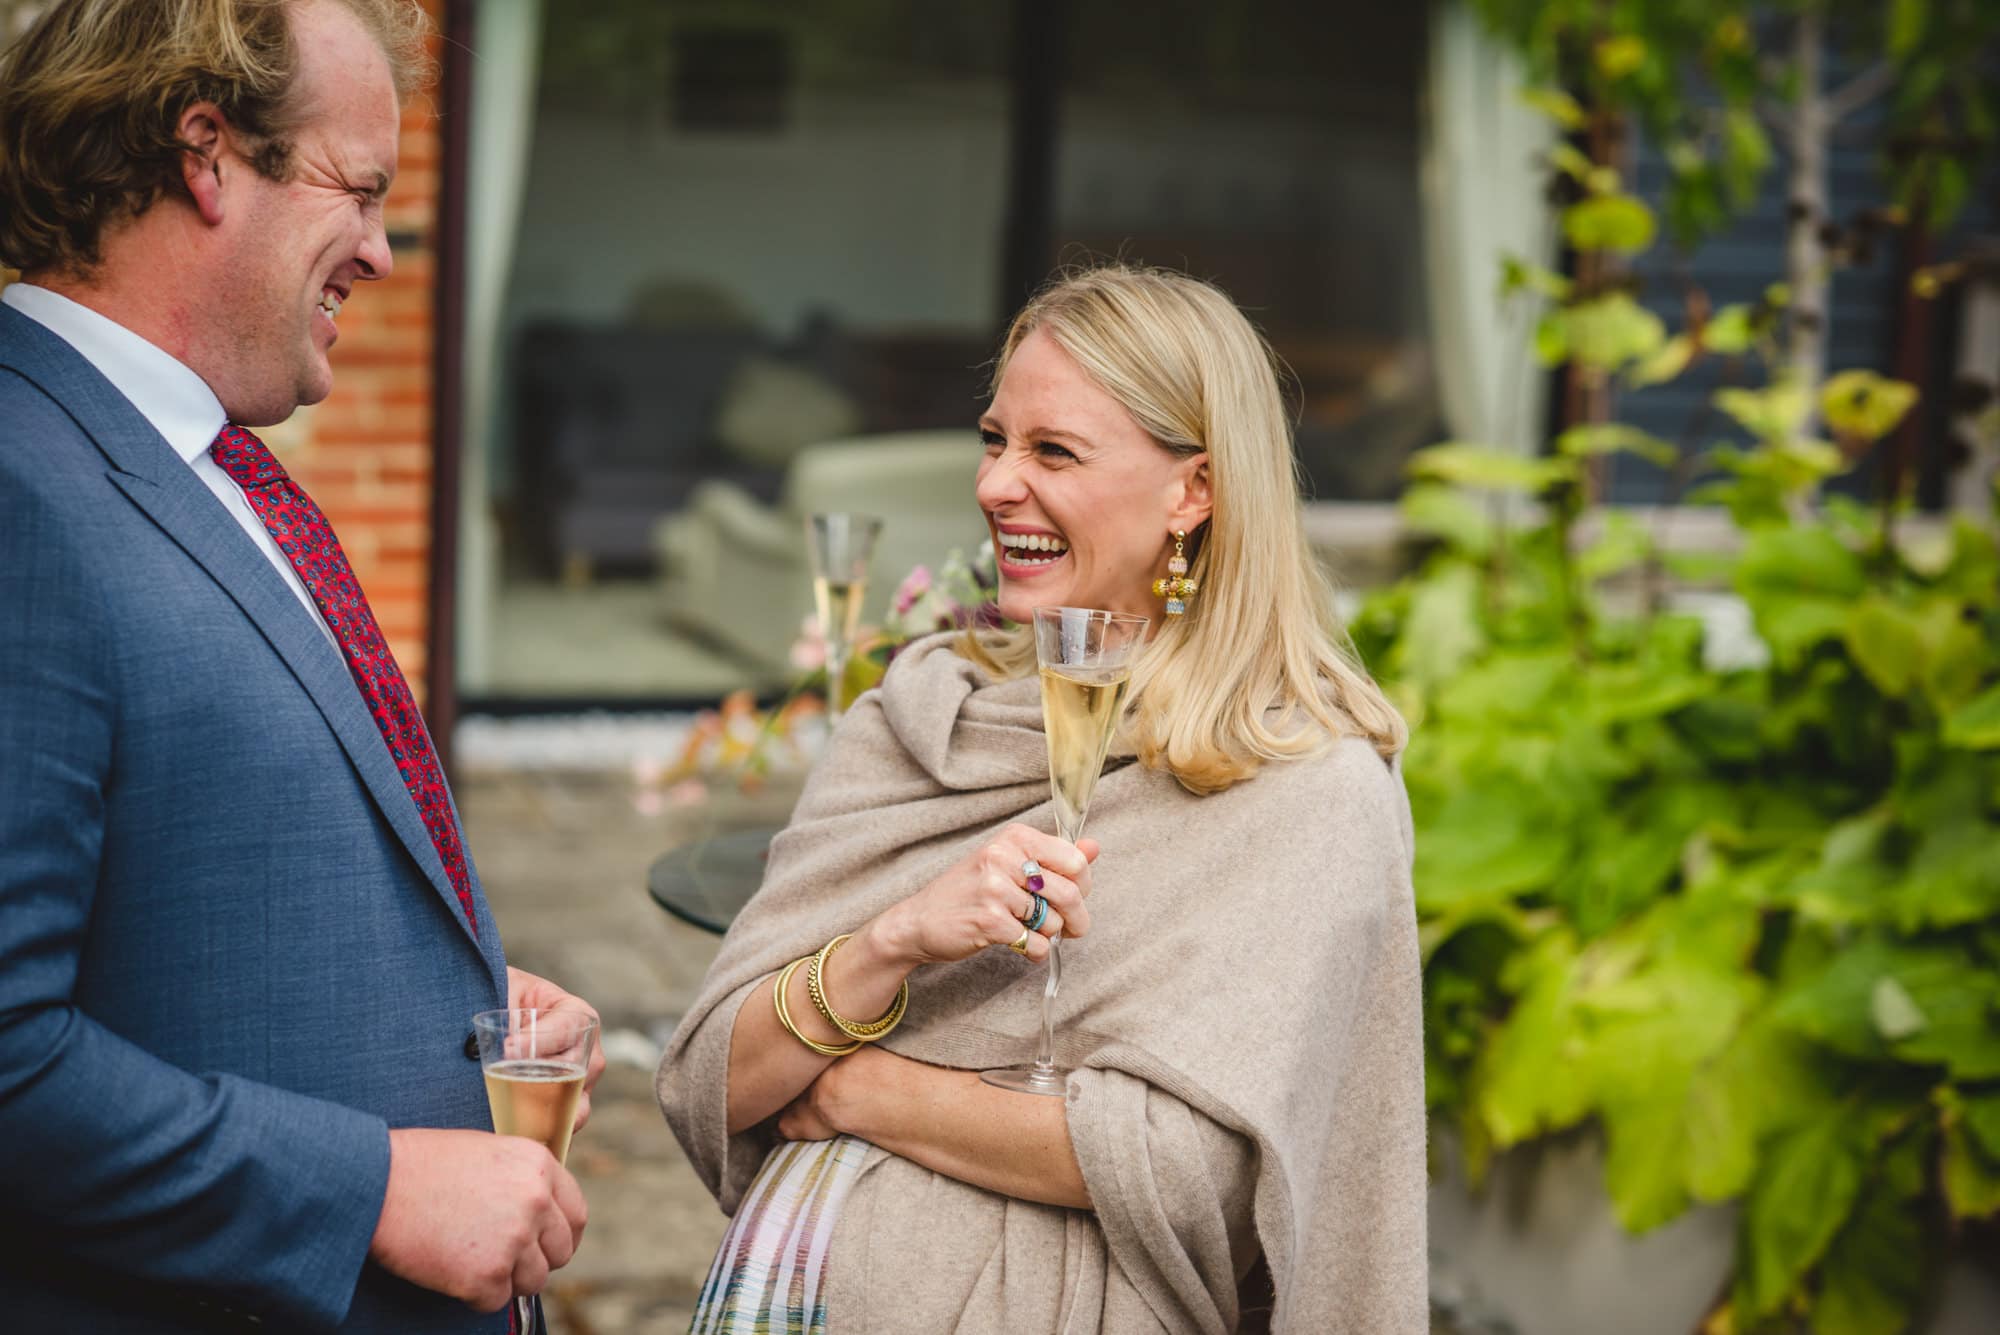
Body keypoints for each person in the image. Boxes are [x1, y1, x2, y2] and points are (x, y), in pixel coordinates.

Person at [657, 264, 1426, 1334]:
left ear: (1191, 490)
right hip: (791, 1297)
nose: (993, 484)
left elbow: (1182, 1169)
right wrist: (891, 941)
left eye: (1051, 451)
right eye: (993, 439)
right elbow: (711, 1078)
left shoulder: (1302, 787)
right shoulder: (924, 715)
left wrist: (858, 1092)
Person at [0, 2, 601, 1330]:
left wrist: (455, 999)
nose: (385, 253)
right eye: (362, 190)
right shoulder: (19, 485)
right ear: (205, 151)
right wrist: (373, 1187)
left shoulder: (195, 466)